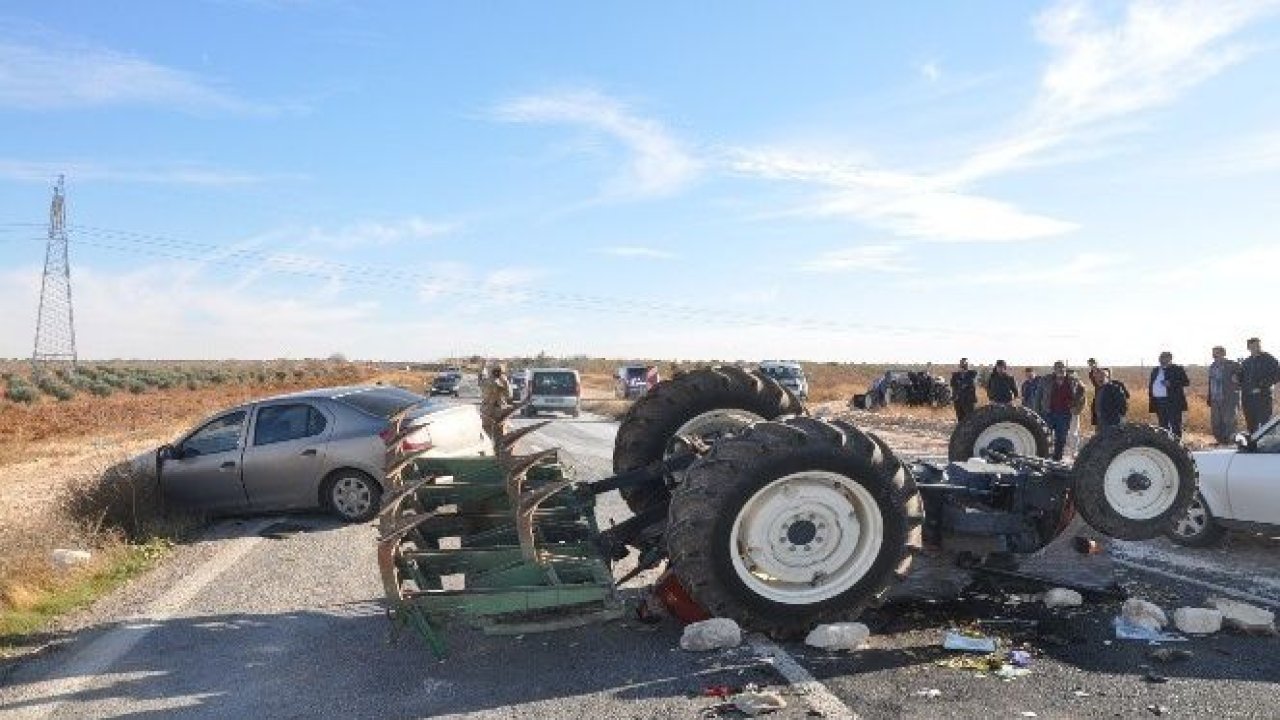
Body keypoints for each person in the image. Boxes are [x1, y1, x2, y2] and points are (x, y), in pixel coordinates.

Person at [1036, 361, 1083, 460]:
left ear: (1065, 369)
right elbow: (1038, 397)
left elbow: (1081, 393)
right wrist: (1037, 412)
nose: (1060, 370)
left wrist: (1076, 406)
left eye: (1062, 368)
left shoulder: (1073, 380)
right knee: (1044, 437)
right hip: (1048, 413)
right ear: (1054, 369)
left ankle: (1057, 460)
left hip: (1064, 414)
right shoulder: (1046, 380)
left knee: (1061, 439)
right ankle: (1043, 458)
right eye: (1058, 368)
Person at [1240, 337, 1280, 433]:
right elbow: (1241, 379)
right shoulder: (1246, 362)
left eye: (1258, 345)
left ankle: (1268, 446)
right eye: (1253, 346)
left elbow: (1277, 376)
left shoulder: (1269, 359)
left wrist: (1262, 385)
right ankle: (1253, 446)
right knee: (1251, 424)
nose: (1256, 348)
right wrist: (1236, 378)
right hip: (1248, 398)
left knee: (1265, 424)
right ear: (1248, 348)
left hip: (1263, 397)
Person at [1148, 351, 1190, 438]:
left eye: (1164, 357)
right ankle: (1166, 442)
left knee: (1175, 424)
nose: (1161, 359)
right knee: (1162, 424)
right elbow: (1152, 383)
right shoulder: (1155, 370)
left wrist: (1170, 383)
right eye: (1161, 357)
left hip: (1173, 401)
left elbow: (1186, 382)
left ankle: (1177, 443)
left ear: (1170, 359)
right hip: (1158, 400)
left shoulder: (1177, 369)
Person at [1207, 346, 1242, 444]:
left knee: (1229, 422)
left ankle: (1230, 443)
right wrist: (1209, 398)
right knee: (1216, 423)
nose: (1213, 355)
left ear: (1223, 353)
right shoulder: (1212, 366)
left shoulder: (1233, 365)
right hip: (1215, 399)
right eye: (1213, 352)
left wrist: (1237, 378)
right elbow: (1211, 383)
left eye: (1216, 352)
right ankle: (1221, 442)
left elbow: (1241, 378)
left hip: (1229, 399)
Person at [480, 364, 513, 442]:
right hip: (489, 412)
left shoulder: (503, 382)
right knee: (487, 434)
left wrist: (505, 383)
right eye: (495, 372)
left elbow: (509, 395)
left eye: (499, 372)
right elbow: (485, 394)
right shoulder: (487, 382)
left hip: (499, 412)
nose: (497, 374)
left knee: (500, 434)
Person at [950, 358, 978, 422]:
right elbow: (952, 384)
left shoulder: (972, 374)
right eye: (962, 363)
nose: (963, 365)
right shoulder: (955, 375)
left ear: (968, 365)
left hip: (968, 401)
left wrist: (961, 383)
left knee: (970, 419)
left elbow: (970, 383)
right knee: (960, 419)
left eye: (965, 364)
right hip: (958, 400)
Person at [1086, 358, 1106, 427]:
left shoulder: (1102, 371)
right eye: (1090, 364)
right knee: (1095, 408)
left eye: (1093, 363)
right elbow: (1095, 383)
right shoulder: (1091, 373)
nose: (1092, 365)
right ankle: (1098, 427)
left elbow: (1105, 382)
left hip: (1104, 392)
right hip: (1097, 391)